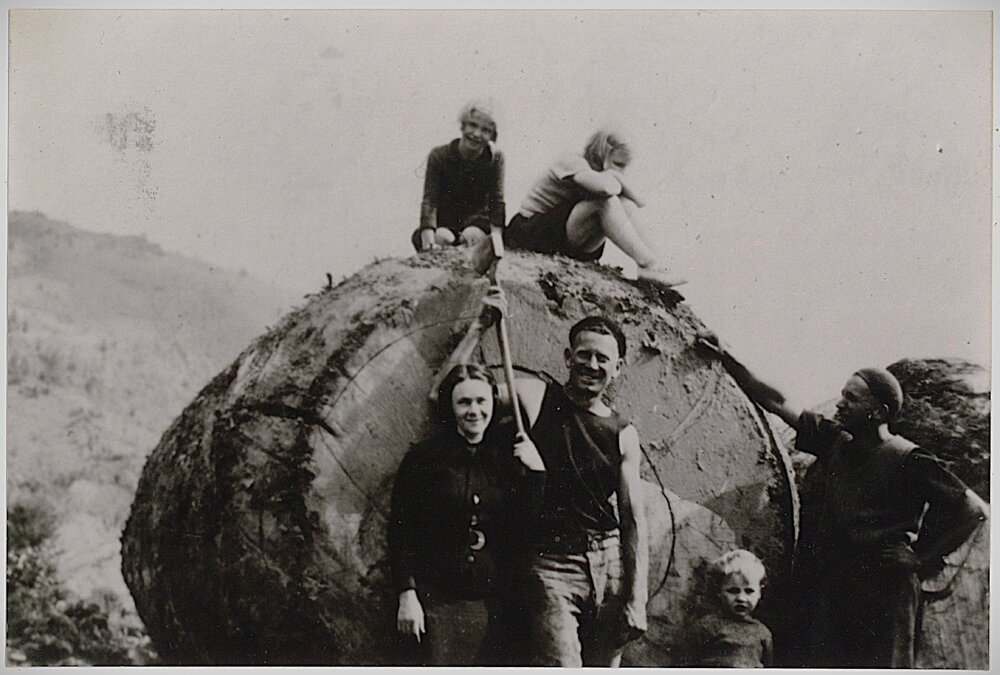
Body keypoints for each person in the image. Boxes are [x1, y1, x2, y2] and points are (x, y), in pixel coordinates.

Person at [697, 332, 989, 668]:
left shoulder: (910, 459)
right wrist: (729, 357)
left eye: (851, 399)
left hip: (886, 591)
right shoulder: (835, 441)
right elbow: (777, 402)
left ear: (879, 412)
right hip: (839, 584)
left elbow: (973, 510)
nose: (840, 404)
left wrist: (921, 559)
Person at [440, 287, 649, 667]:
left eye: (603, 358)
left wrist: (637, 598)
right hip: (550, 562)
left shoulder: (624, 433)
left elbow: (633, 520)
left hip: (609, 562)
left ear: (618, 368)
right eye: (583, 354)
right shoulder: (536, 397)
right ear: (568, 357)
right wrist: (480, 326)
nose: (592, 364)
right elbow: (449, 394)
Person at [387, 362, 545, 665]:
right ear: (451, 406)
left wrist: (536, 474)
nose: (474, 411)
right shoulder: (424, 458)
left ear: (493, 404)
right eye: (464, 402)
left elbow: (526, 530)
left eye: (481, 401)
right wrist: (407, 594)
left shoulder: (508, 459)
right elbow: (400, 531)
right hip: (436, 602)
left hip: (493, 603)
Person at [504, 129, 684, 287]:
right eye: (618, 164)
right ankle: (648, 263)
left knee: (625, 205)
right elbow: (605, 188)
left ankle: (656, 265)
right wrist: (615, 176)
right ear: (601, 152)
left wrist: (618, 179)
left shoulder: (603, 173)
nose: (621, 172)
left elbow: (636, 201)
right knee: (605, 202)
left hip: (561, 235)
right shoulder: (573, 161)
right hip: (530, 229)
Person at [412, 99, 505, 252]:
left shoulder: (495, 159)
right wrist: (428, 242)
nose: (476, 134)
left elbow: (497, 201)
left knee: (472, 237)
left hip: (476, 224)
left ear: (492, 136)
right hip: (444, 223)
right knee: (442, 238)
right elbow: (430, 201)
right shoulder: (439, 156)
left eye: (485, 130)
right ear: (463, 125)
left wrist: (496, 243)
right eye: (473, 125)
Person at [679, 550, 773, 668]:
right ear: (719, 592)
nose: (741, 598)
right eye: (733, 591)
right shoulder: (705, 628)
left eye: (749, 591)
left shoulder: (762, 633)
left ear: (759, 593)